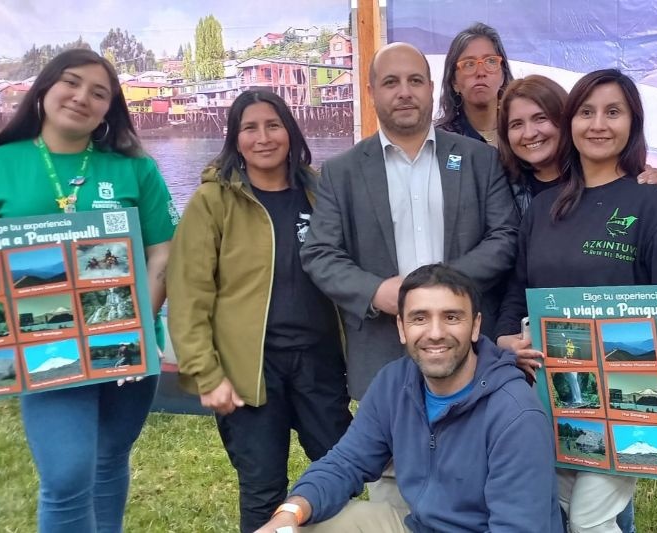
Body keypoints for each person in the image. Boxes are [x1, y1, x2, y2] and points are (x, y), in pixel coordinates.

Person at [495, 68, 657, 533]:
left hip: (629, 398)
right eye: (586, 112)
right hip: (548, 392)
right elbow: (517, 289)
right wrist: (505, 339)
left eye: (613, 112)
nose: (598, 124)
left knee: (590, 520)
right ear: (571, 122)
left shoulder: (654, 205)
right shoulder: (546, 209)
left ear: (633, 122)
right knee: (563, 508)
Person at [0, 48, 175, 532]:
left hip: (125, 348)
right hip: (43, 346)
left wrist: (134, 333)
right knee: (67, 477)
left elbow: (163, 256)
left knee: (110, 461)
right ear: (43, 89)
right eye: (71, 82)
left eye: (99, 93)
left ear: (110, 109)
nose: (81, 97)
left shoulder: (134, 169)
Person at [253, 264, 564, 533]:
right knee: (306, 525)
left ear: (475, 326)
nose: (435, 333)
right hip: (419, 526)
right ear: (401, 327)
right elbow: (346, 462)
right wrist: (290, 512)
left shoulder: (515, 414)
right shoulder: (395, 383)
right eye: (419, 318)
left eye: (452, 317)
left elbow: (518, 527)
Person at [166, 90, 352, 533]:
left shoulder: (320, 192)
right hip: (251, 369)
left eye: (273, 125)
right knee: (263, 490)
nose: (263, 137)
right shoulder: (213, 202)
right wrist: (206, 374)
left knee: (341, 474)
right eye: (250, 128)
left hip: (319, 362)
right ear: (235, 138)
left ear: (290, 131)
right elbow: (189, 291)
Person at [299, 41, 517, 401]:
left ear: (431, 88)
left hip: (470, 349)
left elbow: (505, 236)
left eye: (415, 81)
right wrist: (376, 292)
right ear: (371, 92)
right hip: (383, 353)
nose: (404, 92)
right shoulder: (342, 172)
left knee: (474, 454)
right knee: (393, 458)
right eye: (391, 82)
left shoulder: (479, 159)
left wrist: (448, 288)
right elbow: (320, 253)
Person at [435, 22, 514, 146]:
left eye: (490, 61)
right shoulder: (441, 140)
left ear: (503, 75)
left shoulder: (521, 132)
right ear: (454, 81)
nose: (481, 72)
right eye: (469, 64)